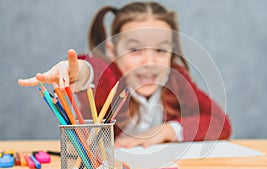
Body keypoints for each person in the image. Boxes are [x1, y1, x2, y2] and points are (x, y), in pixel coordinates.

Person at [18, 1, 231, 148]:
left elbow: (221, 123)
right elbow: (92, 73)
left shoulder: (176, 79)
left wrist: (167, 130)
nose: (150, 63)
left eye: (160, 50)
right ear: (112, 51)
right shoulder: (112, 78)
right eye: (135, 50)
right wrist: (76, 73)